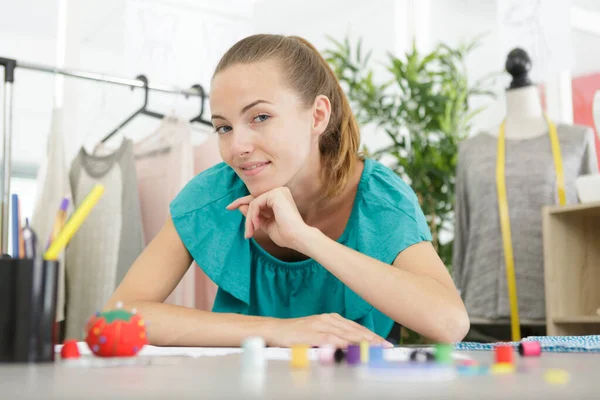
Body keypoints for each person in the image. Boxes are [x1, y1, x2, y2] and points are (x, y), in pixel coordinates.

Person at [105, 34, 470, 348]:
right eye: (223, 128)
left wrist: (306, 239)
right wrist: (280, 331)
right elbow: (119, 316)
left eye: (259, 118)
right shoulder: (212, 196)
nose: (237, 147)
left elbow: (449, 322)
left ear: (317, 116)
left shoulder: (378, 198)